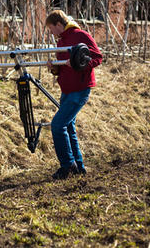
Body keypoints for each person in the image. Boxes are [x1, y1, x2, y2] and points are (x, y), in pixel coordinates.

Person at [45, 10, 103, 180]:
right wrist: (54, 67)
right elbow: (63, 67)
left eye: (51, 28)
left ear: (58, 24)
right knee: (68, 127)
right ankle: (78, 167)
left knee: (57, 125)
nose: (51, 33)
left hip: (80, 89)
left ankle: (67, 165)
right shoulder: (61, 41)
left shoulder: (81, 35)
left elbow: (97, 57)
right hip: (66, 89)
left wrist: (79, 64)